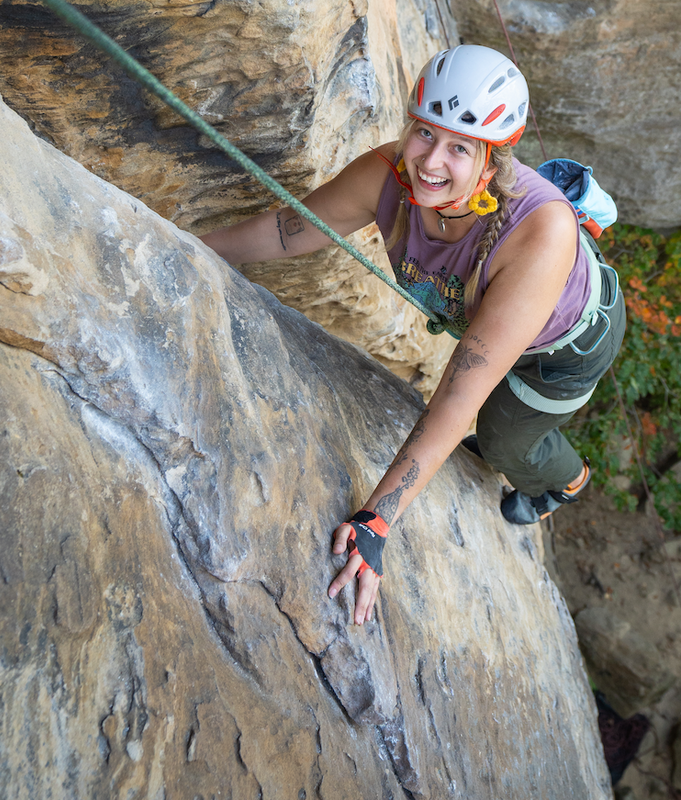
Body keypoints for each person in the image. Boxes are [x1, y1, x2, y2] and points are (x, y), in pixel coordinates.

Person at [200, 45, 626, 625]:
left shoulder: (538, 234)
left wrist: (377, 519)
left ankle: (567, 480)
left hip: (567, 347)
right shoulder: (388, 177)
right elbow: (286, 232)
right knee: (494, 430)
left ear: (494, 160)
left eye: (459, 147)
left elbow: (458, 393)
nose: (430, 161)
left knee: (502, 443)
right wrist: (190, 246)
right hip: (508, 331)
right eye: (424, 132)